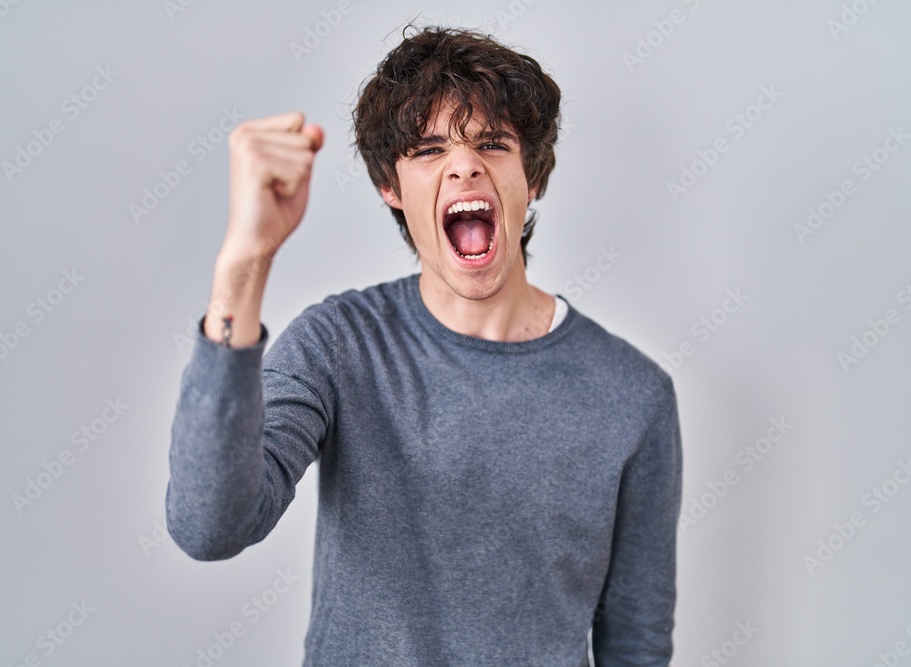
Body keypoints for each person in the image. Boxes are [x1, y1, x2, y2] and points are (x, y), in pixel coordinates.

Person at [165, 24, 683, 666]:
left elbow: (636, 639)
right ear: (392, 188)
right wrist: (245, 260)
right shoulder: (338, 346)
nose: (465, 165)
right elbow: (209, 525)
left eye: (493, 144)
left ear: (534, 178)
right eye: (429, 149)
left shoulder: (634, 395)